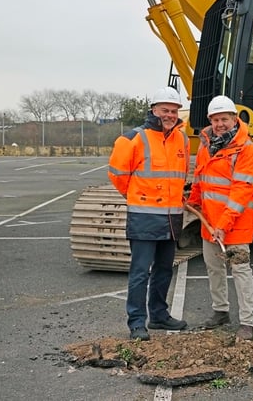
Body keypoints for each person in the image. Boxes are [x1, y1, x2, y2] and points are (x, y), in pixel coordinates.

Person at [108, 86, 190, 341]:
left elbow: (180, 175)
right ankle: (136, 322)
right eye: (165, 110)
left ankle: (158, 315)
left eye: (174, 111)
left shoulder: (182, 140)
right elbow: (117, 175)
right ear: (154, 110)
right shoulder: (133, 138)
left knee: (165, 269)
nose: (170, 115)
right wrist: (135, 196)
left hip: (171, 216)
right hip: (144, 215)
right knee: (140, 271)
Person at [186, 96, 253, 340]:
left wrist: (223, 224)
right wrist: (193, 201)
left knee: (240, 270)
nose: (220, 124)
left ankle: (247, 322)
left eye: (224, 119)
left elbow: (241, 192)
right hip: (210, 223)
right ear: (210, 120)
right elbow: (200, 178)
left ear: (234, 119)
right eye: (216, 119)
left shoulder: (248, 150)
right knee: (214, 268)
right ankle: (221, 311)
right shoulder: (206, 146)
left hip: (235, 225)